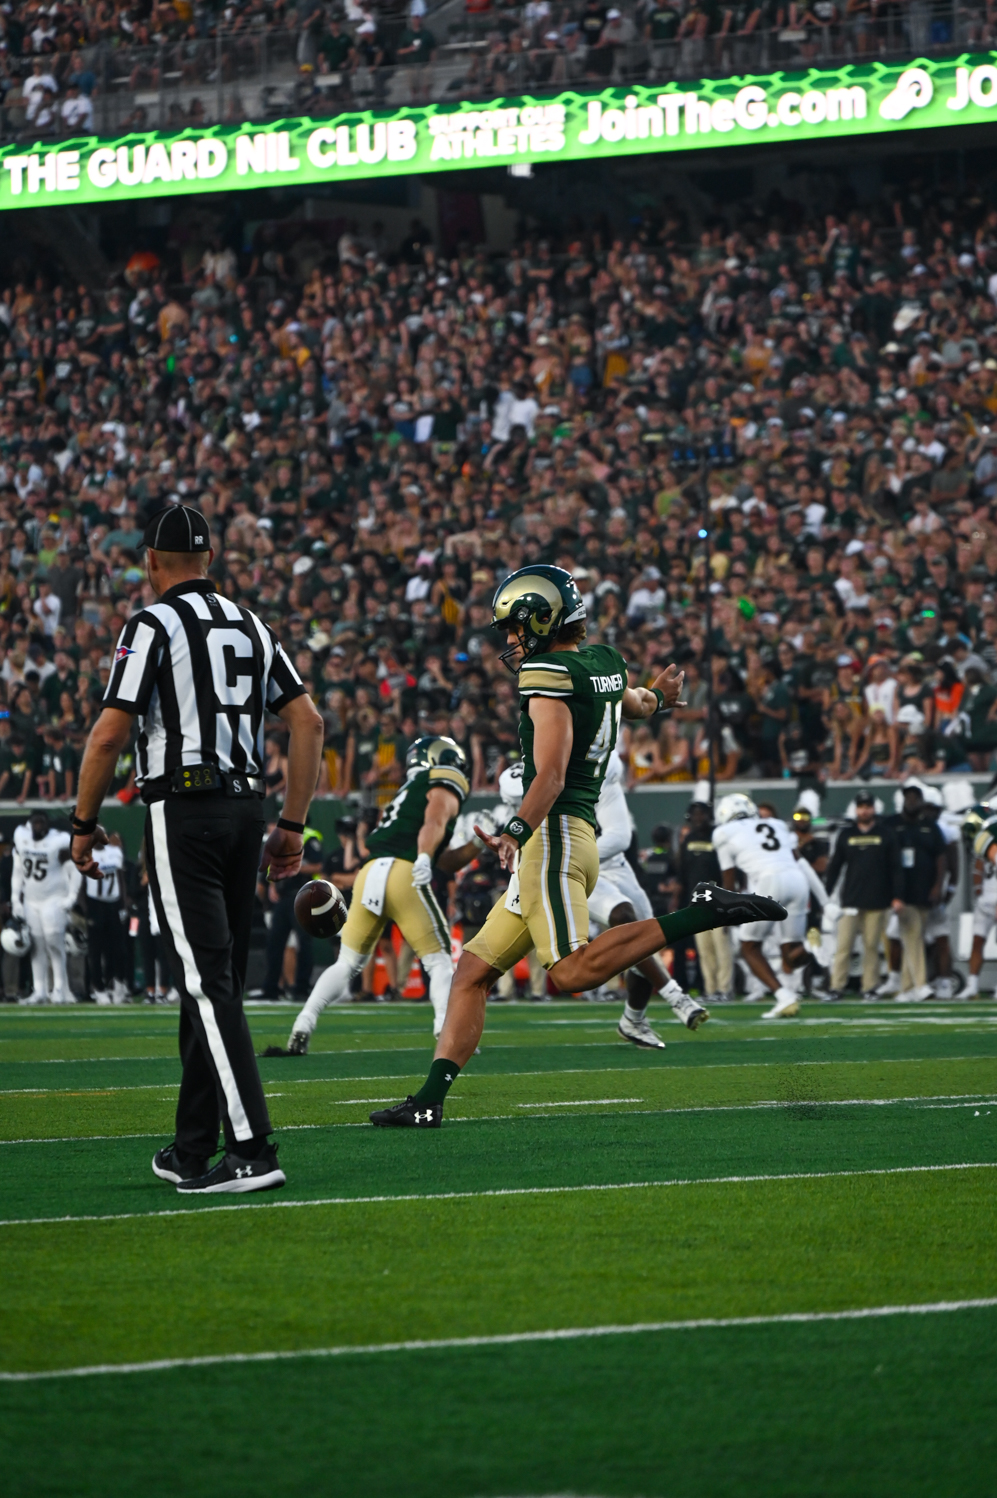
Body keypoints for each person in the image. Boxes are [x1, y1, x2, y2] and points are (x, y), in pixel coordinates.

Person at [369, 566, 785, 1127]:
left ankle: (701, 912)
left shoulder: (546, 672)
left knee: (569, 971)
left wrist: (514, 832)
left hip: (556, 835)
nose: (511, 642)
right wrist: (660, 699)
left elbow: (550, 776)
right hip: (573, 834)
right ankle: (430, 1100)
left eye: (515, 628)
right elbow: (635, 703)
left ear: (542, 620)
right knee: (471, 973)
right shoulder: (605, 662)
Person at [68, 504, 324, 1195]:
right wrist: (293, 825)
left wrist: (83, 821)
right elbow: (308, 722)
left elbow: (107, 735)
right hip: (247, 811)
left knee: (208, 985)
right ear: (208, 560)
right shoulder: (250, 623)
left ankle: (251, 1150)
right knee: (211, 984)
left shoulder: (151, 623)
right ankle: (190, 1148)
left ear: (151, 561)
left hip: (183, 811)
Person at [280, 736, 480, 1051]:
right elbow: (435, 820)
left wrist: (479, 843)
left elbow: (446, 857)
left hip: (370, 872)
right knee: (439, 961)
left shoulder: (407, 791)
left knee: (346, 963)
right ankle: (446, 1032)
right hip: (403, 872)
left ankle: (304, 1020)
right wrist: (424, 858)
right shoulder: (443, 780)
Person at [587, 746, 708, 1042]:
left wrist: (576, 855)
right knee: (623, 916)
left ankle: (633, 1020)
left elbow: (618, 837)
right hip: (568, 870)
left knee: (646, 942)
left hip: (612, 863)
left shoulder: (603, 773)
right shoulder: (537, 775)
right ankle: (676, 997)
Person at [712, 792, 810, 1019]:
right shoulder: (776, 824)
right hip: (797, 880)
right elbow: (798, 860)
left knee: (749, 946)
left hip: (769, 881)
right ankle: (815, 949)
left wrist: (728, 912)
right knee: (790, 953)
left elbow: (729, 882)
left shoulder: (723, 833)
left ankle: (784, 996)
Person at [822, 788, 901, 1000]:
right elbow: (835, 867)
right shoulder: (846, 834)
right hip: (850, 900)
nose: (864, 811)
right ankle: (836, 986)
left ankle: (870, 987)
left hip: (878, 900)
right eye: (861, 807)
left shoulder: (885, 834)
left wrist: (897, 895)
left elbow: (895, 867)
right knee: (843, 947)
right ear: (856, 809)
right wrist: (825, 895)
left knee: (871, 948)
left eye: (868, 807)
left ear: (873, 809)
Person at [877, 780, 946, 1002]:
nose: (912, 801)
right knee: (913, 936)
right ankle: (921, 985)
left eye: (916, 798)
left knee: (912, 937)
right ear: (903, 800)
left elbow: (941, 858)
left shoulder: (930, 826)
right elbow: (883, 858)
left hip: (924, 890)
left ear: (922, 801)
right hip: (900, 892)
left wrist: (938, 886)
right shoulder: (891, 824)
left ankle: (906, 989)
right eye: (908, 797)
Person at [12, 810, 78, 1005]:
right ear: (29, 823)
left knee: (54, 943)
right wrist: (15, 898)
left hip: (53, 898)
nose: (39, 826)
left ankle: (60, 988)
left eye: (42, 822)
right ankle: (39, 990)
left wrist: (71, 896)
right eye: (35, 822)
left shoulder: (59, 841)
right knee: (37, 946)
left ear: (48, 824)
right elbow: (17, 870)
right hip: (31, 900)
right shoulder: (21, 836)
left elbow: (75, 867)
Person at [259, 823, 325, 1001]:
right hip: (283, 896)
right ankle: (271, 988)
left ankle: (301, 988)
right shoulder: (281, 840)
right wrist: (273, 884)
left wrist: (295, 866)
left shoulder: (309, 838)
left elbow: (319, 866)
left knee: (304, 943)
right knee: (274, 942)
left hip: (303, 894)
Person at [678, 790, 732, 1003]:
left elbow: (729, 872)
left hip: (718, 900)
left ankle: (724, 988)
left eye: (702, 814)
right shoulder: (688, 839)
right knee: (704, 949)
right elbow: (682, 872)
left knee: (722, 947)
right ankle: (710, 990)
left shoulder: (719, 837)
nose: (698, 818)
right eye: (695, 814)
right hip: (696, 902)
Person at [85, 832, 129, 1004]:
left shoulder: (115, 852)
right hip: (95, 903)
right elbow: (81, 883)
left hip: (113, 903)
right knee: (95, 951)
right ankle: (98, 987)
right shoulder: (87, 855)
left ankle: (118, 984)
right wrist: (86, 909)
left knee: (119, 949)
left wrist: (124, 904)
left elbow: (120, 878)